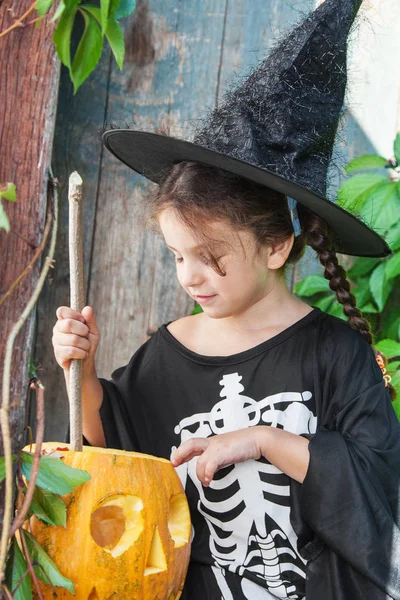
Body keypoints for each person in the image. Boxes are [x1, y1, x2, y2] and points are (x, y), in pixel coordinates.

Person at [52, 0, 400, 598]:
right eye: (177, 256)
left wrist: (264, 440)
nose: (189, 277)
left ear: (276, 246)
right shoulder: (170, 352)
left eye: (210, 258)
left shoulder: (336, 355)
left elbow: (381, 499)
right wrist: (79, 370)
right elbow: (114, 445)